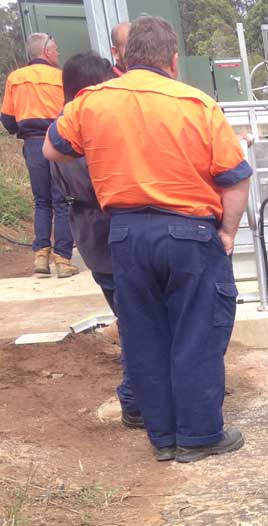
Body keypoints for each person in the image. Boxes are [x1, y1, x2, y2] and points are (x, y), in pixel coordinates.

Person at [44, 16, 252, 463]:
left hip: (126, 234)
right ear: (173, 60)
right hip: (189, 233)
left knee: (145, 335)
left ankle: (163, 439)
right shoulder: (198, 105)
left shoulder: (92, 102)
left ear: (123, 58)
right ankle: (198, 437)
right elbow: (235, 179)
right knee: (197, 331)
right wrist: (228, 233)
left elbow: (52, 148)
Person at [51, 52, 140, 430]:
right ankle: (135, 399)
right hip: (112, 232)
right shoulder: (90, 127)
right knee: (139, 322)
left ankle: (142, 395)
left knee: (129, 317)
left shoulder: (61, 129)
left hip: (89, 236)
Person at [1, 32, 77, 278]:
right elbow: (72, 113)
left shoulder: (16, 78)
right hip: (57, 143)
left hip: (33, 145)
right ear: (46, 52)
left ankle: (41, 256)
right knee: (62, 201)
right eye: (55, 50)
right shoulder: (61, 77)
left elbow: (8, 120)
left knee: (41, 201)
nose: (58, 54)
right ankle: (63, 259)